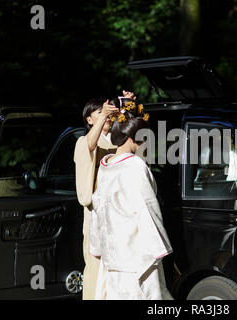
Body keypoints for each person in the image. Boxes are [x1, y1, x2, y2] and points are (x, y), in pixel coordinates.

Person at [89, 103, 173, 300]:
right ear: (133, 139)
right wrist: (159, 245)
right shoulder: (135, 165)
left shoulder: (105, 166)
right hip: (135, 251)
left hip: (113, 252)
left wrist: (97, 245)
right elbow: (148, 207)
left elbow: (98, 207)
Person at [74, 91, 135, 300]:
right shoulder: (83, 142)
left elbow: (131, 137)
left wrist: (128, 107)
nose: (105, 117)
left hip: (120, 213)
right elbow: (89, 147)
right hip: (96, 215)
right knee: (95, 264)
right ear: (89, 120)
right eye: (99, 113)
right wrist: (102, 119)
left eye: (107, 113)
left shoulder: (118, 141)